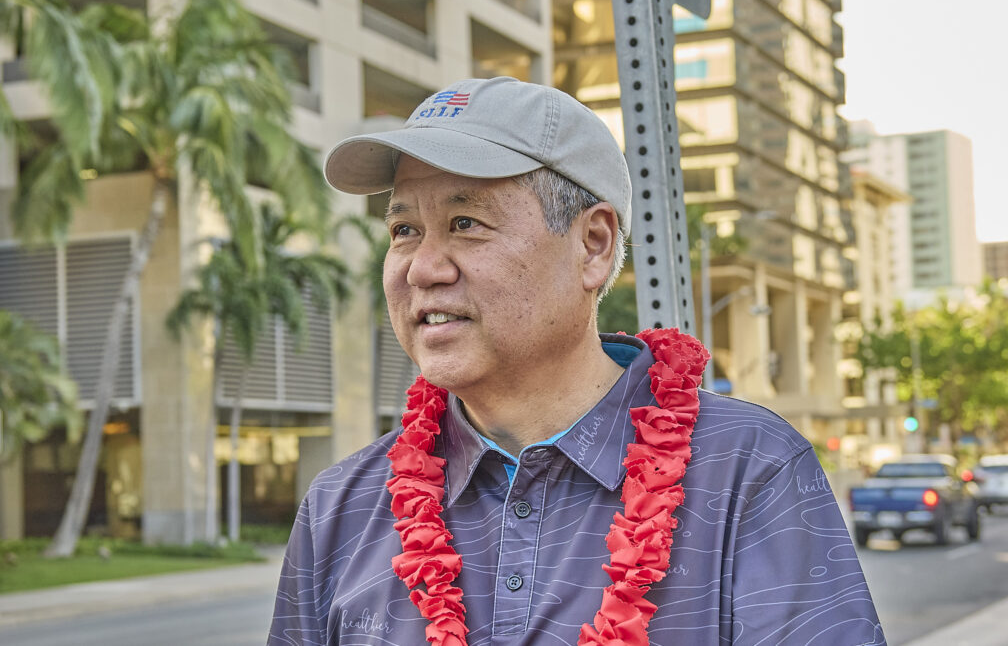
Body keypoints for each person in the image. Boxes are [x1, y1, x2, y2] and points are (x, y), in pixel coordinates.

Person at [268, 77, 885, 646]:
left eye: (465, 222)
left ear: (593, 245)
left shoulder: (747, 472)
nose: (423, 268)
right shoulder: (341, 507)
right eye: (404, 230)